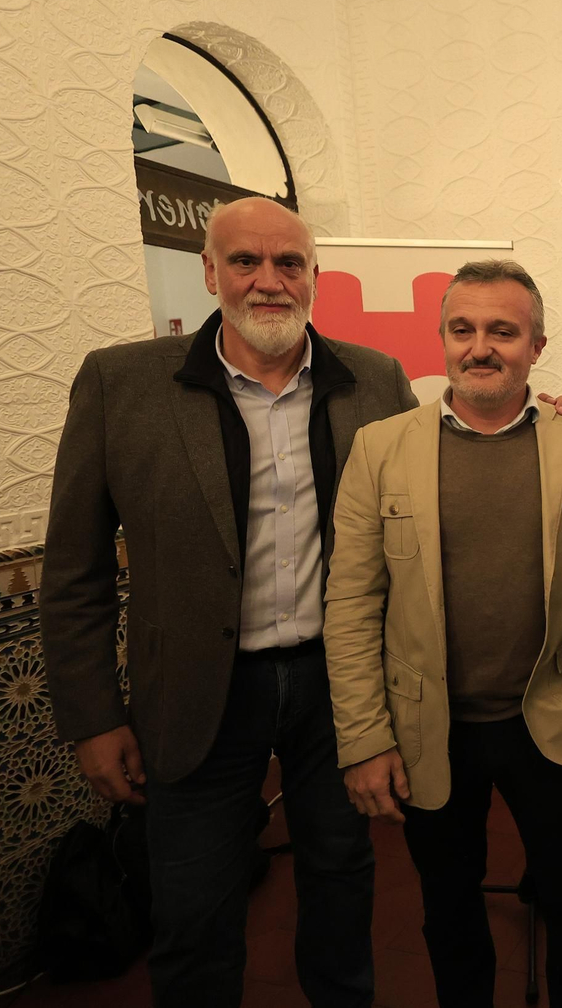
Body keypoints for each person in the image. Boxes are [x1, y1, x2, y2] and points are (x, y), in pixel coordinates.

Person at [40, 196, 418, 1007]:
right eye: (245, 262)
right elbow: (75, 570)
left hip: (338, 688)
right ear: (210, 273)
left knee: (343, 889)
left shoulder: (376, 382)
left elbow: (423, 507)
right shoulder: (120, 383)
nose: (269, 281)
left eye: (290, 263)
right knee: (194, 916)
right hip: (200, 694)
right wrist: (94, 716)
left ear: (314, 277)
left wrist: (550, 417)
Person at [322, 259, 562, 1008]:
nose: (481, 346)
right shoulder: (380, 448)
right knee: (449, 908)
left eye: (503, 331)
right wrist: (363, 739)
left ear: (537, 346)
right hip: (430, 727)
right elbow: (352, 605)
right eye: (463, 329)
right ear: (443, 338)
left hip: (547, 722)